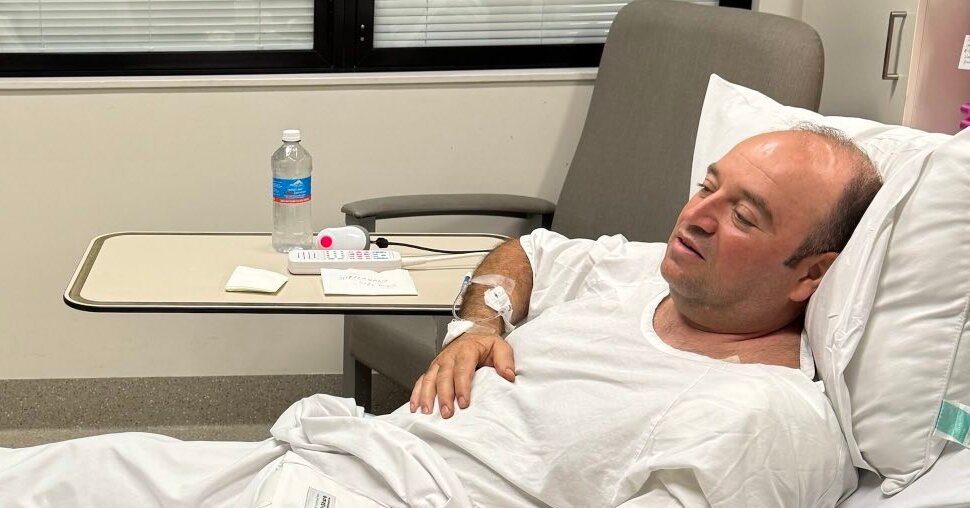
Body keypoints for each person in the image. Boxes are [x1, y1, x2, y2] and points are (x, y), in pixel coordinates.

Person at [0, 126, 882, 508]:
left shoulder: (760, 418)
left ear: (812, 273)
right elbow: (524, 253)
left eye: (744, 215)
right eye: (707, 186)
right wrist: (479, 328)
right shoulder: (642, 272)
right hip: (333, 462)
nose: (696, 215)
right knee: (71, 469)